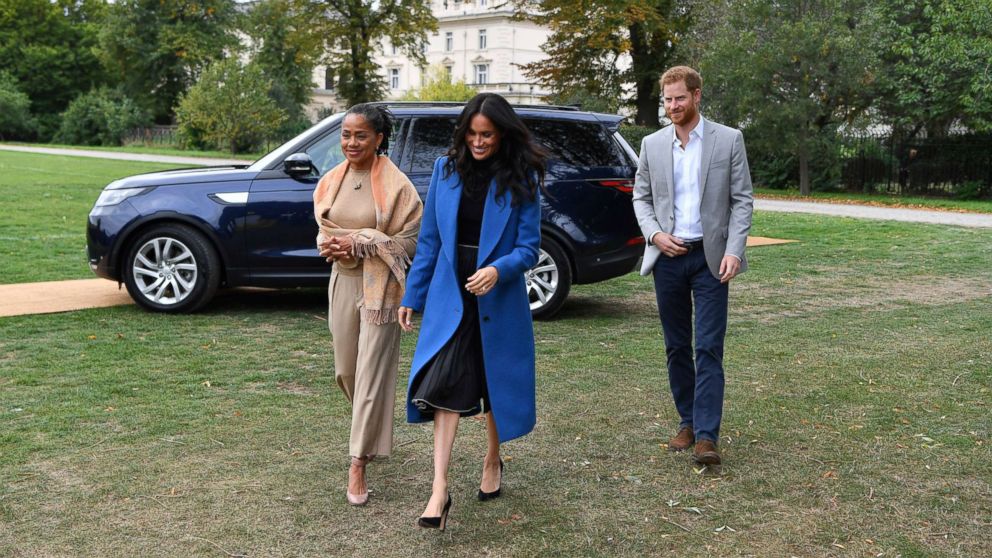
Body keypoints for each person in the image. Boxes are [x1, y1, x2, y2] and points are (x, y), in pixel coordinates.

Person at [397, 93, 545, 530]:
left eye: (487, 135)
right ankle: (439, 488)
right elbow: (430, 240)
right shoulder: (445, 170)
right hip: (451, 293)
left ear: (502, 135)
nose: (478, 142)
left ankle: (494, 459)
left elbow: (529, 249)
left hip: (497, 296)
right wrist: (412, 295)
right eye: (472, 134)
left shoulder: (522, 179)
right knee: (444, 382)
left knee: (494, 381)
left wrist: (498, 271)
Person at [631, 66, 754, 466]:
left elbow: (742, 201)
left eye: (679, 98)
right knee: (676, 346)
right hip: (668, 257)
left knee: (709, 347)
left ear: (697, 96)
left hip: (711, 258)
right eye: (667, 99)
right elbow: (641, 198)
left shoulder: (728, 139)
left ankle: (706, 436)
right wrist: (654, 235)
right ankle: (686, 421)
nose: (672, 106)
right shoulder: (651, 144)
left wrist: (734, 250)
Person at [313, 103, 423, 506]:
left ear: (378, 138)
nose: (351, 142)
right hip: (343, 281)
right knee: (346, 371)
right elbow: (324, 230)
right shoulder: (330, 181)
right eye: (346, 134)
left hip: (383, 290)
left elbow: (411, 241)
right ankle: (370, 428)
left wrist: (363, 239)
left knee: (373, 372)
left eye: (361, 135)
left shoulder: (399, 187)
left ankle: (357, 463)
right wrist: (332, 245)